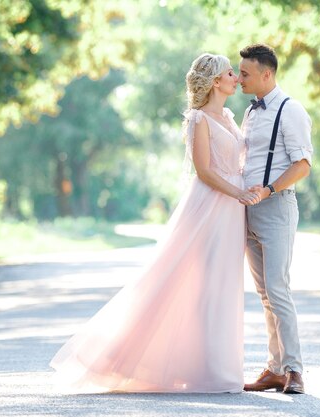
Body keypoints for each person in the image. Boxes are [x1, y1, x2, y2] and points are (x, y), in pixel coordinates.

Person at [49, 53, 260, 393]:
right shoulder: (198, 120)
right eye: (231, 73)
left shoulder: (231, 117)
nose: (237, 77)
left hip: (232, 209)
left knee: (223, 285)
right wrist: (238, 192)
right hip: (209, 207)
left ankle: (218, 370)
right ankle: (127, 359)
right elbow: (205, 171)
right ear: (216, 81)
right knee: (191, 282)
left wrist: (246, 190)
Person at [238, 44, 313, 394]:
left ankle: (295, 370)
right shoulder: (250, 113)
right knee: (265, 294)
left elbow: (302, 165)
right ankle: (274, 368)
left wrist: (268, 190)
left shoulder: (290, 109)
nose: (239, 79)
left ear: (266, 74)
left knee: (278, 289)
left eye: (245, 73)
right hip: (247, 210)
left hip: (277, 206)